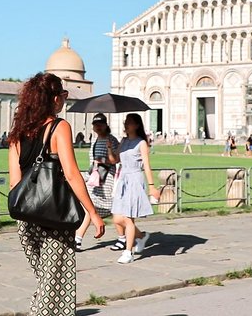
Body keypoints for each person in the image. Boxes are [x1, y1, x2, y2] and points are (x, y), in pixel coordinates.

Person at [8, 73, 105, 315]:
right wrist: (92, 212)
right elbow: (72, 174)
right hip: (54, 215)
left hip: (26, 218)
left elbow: (14, 182)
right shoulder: (59, 127)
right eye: (63, 95)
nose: (64, 100)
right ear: (53, 98)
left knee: (46, 280)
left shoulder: (18, 132)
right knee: (55, 283)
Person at [111, 113, 161, 264]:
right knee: (117, 219)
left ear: (137, 125)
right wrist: (109, 147)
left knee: (128, 217)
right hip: (123, 180)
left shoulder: (141, 143)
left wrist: (152, 187)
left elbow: (146, 165)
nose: (126, 125)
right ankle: (141, 236)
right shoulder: (124, 141)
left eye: (130, 123)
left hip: (134, 179)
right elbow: (115, 159)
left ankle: (128, 252)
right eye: (126, 122)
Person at [75, 113, 122, 251]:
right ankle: (78, 238)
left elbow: (116, 160)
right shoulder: (95, 140)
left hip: (106, 179)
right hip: (94, 179)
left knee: (112, 210)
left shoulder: (111, 140)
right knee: (90, 208)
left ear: (106, 125)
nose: (98, 127)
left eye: (100, 124)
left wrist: (106, 154)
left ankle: (127, 236)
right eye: (96, 125)